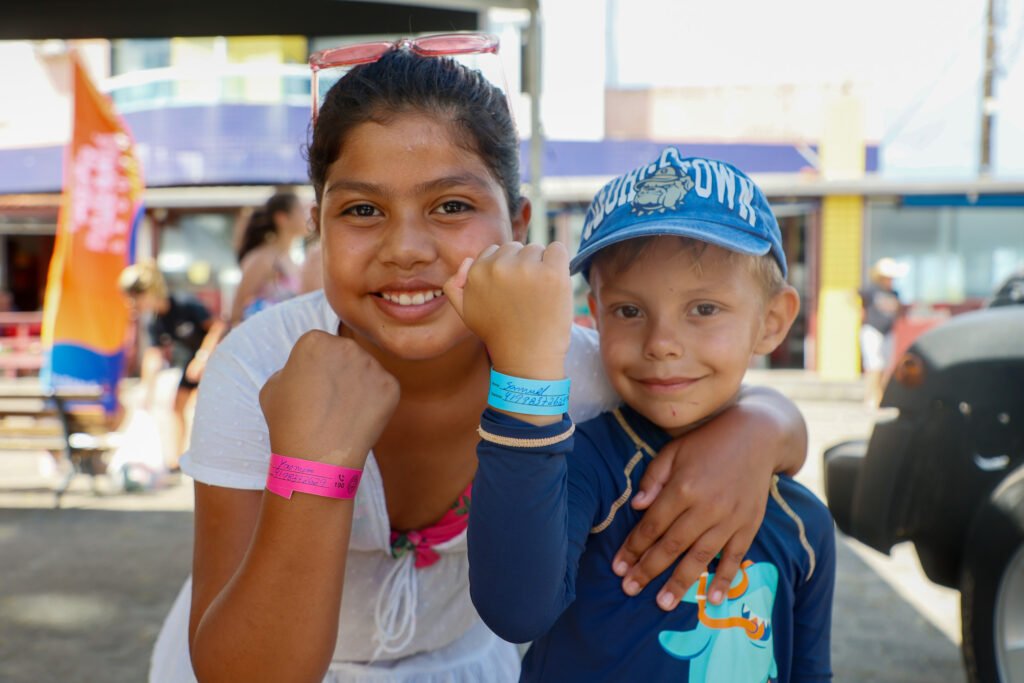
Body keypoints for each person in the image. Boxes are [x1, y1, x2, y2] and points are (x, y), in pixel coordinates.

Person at [149, 38, 809, 683]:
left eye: (452, 205)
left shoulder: (575, 374)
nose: (406, 246)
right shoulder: (259, 368)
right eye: (361, 209)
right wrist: (313, 465)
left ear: (517, 224)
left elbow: (704, 392)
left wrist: (762, 427)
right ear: (319, 227)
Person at [453, 150, 836, 682]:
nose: (661, 344)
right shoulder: (584, 465)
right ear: (597, 315)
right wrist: (522, 375)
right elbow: (515, 610)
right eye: (629, 311)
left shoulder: (805, 524)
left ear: (772, 322)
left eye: (703, 309)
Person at [118, 261, 226, 469]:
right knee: (177, 406)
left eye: (134, 298)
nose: (132, 304)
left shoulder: (184, 303)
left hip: (216, 359)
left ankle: (212, 458)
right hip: (191, 362)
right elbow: (153, 355)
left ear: (148, 291)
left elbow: (218, 326)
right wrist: (146, 391)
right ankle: (177, 460)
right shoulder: (155, 321)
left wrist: (203, 357)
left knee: (206, 409)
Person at [228, 191, 308, 327]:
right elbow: (237, 311)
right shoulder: (262, 259)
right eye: (301, 210)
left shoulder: (292, 260)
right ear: (282, 218)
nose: (307, 217)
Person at [859, 257, 907, 407]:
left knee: (886, 367)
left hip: (888, 332)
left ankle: (881, 398)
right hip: (872, 330)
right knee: (874, 365)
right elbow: (858, 299)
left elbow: (900, 311)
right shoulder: (871, 290)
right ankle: (871, 398)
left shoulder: (895, 294)